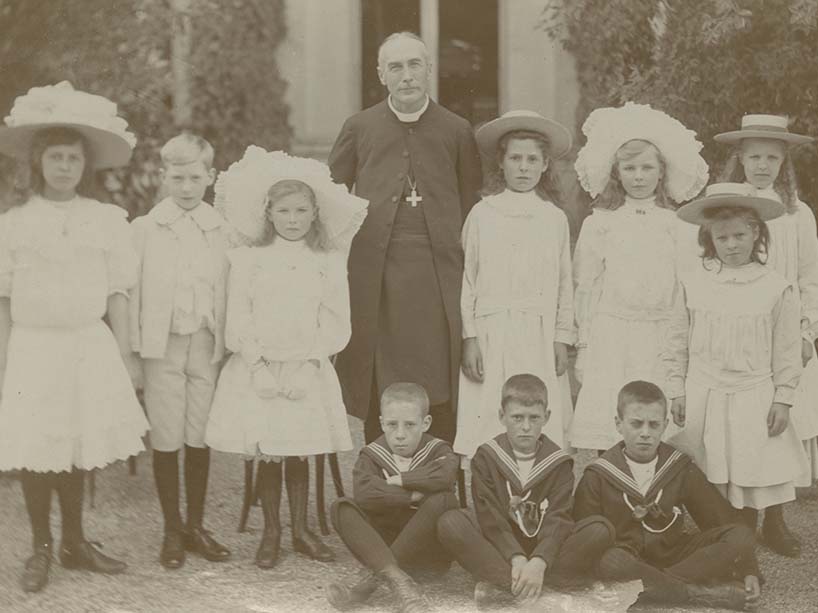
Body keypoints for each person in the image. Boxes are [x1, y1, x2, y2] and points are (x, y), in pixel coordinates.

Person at [0, 82, 149, 593]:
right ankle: (41, 546)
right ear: (39, 162)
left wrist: (129, 355)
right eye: (55, 157)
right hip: (34, 346)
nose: (64, 167)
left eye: (73, 158)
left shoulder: (106, 220)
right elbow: (2, 297)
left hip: (87, 344)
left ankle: (76, 541)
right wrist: (2, 360)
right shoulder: (15, 223)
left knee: (78, 442)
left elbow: (119, 293)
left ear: (85, 166)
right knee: (40, 446)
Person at [205, 147, 367, 568]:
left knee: (298, 448)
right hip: (259, 367)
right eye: (284, 211)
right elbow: (237, 317)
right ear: (269, 213)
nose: (292, 219)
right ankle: (272, 531)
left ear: (314, 214)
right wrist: (257, 366)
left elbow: (336, 321)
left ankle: (300, 530)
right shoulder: (249, 259)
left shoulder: (327, 261)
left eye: (300, 210)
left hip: (305, 368)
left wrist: (311, 362)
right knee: (268, 450)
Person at [329, 31, 482, 444]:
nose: (407, 75)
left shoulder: (457, 130)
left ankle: (438, 481)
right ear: (381, 74)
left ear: (429, 70)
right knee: (382, 377)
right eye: (395, 67)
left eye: (415, 65)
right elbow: (330, 201)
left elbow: (472, 209)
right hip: (377, 277)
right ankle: (382, 478)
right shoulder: (359, 127)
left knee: (438, 377)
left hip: (437, 277)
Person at [667, 183, 809, 560]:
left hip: (754, 389)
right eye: (723, 237)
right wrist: (676, 389)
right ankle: (727, 527)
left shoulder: (775, 288)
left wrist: (783, 397)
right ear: (709, 238)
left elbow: (787, 350)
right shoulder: (693, 283)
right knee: (711, 460)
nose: (732, 244)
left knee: (759, 458)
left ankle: (769, 524)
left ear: (757, 233)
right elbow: (677, 340)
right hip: (705, 388)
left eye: (740, 235)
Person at [570, 102, 709, 452]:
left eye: (647, 167)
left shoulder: (677, 224)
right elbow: (587, 287)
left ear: (662, 171)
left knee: (656, 417)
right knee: (611, 415)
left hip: (661, 332)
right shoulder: (601, 222)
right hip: (612, 332)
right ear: (617, 173)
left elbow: (687, 287)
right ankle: (612, 488)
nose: (639, 176)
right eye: (629, 168)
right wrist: (585, 345)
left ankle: (657, 494)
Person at [715, 114, 818, 556]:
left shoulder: (798, 213)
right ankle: (738, 518)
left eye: (771, 157)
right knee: (739, 422)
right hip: (738, 327)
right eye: (754, 156)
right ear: (740, 158)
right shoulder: (723, 205)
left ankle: (774, 520)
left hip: (783, 331)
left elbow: (809, 275)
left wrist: (808, 330)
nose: (762, 165)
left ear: (783, 162)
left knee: (780, 422)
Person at [129, 133, 231, 569]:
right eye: (177, 177)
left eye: (195, 177)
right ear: (162, 176)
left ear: (210, 177)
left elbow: (229, 288)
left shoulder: (223, 230)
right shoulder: (145, 229)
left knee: (199, 433)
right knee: (167, 436)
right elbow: (131, 293)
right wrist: (133, 355)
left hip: (205, 344)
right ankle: (172, 528)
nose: (186, 187)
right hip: (162, 345)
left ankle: (196, 524)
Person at [574, 380, 761, 611]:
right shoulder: (598, 475)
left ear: (665, 425)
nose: (645, 433)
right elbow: (585, 539)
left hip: (674, 554)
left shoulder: (677, 466)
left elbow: (720, 518)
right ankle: (696, 593)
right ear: (618, 424)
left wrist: (748, 569)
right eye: (636, 424)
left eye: (654, 425)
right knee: (609, 560)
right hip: (627, 558)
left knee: (741, 534)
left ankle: (654, 587)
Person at [454, 110, 575, 459]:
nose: (523, 167)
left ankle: (539, 489)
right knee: (490, 412)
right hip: (492, 331)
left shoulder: (553, 218)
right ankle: (492, 489)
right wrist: (470, 337)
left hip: (537, 332)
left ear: (545, 164)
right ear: (501, 163)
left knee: (537, 412)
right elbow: (469, 279)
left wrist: (561, 338)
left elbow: (565, 283)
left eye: (532, 159)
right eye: (515, 158)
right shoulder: (483, 214)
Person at [437, 374, 615, 609]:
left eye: (534, 418)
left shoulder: (558, 462)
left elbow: (558, 517)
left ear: (546, 417)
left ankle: (505, 588)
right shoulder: (486, 457)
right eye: (517, 417)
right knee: (451, 522)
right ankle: (542, 592)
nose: (526, 427)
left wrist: (539, 561)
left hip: (545, 550)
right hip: (501, 547)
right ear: (502, 416)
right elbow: (489, 515)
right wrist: (517, 557)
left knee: (600, 529)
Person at [326, 382, 459, 613]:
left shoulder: (438, 450)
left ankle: (368, 584)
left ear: (425, 423)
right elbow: (365, 492)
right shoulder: (373, 454)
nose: (400, 435)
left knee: (443, 500)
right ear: (381, 423)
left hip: (428, 556)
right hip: (381, 547)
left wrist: (400, 480)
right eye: (392, 425)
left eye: (409, 425)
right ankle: (399, 580)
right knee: (341, 507)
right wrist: (412, 496)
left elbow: (445, 475)